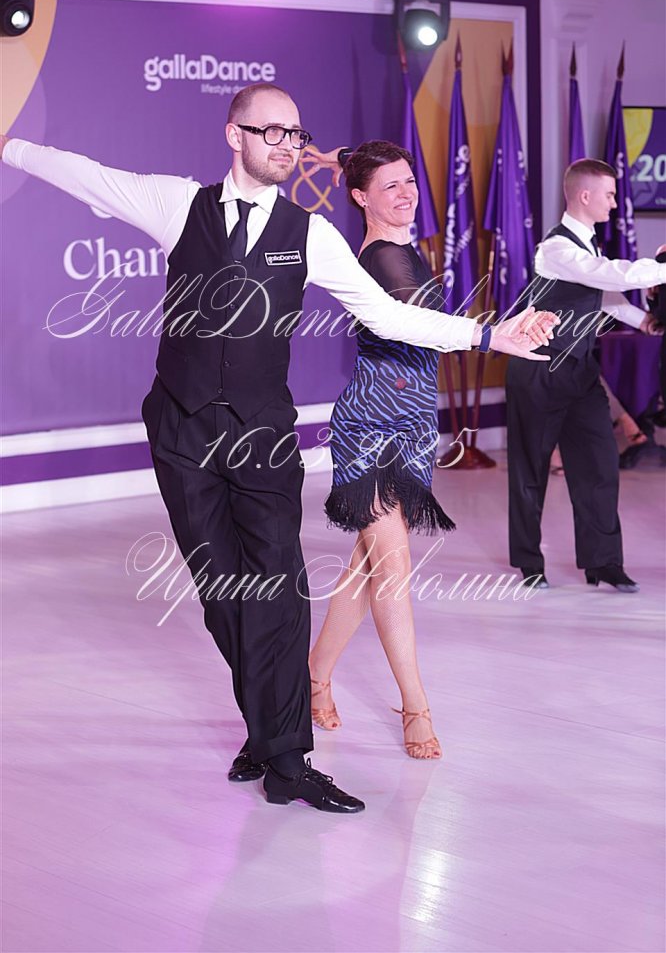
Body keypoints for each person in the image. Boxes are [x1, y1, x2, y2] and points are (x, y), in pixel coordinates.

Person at [1, 83, 556, 813]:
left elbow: (388, 314)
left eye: (296, 134)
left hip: (262, 434)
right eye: (272, 132)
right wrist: (11, 146)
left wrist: (488, 334)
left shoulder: (311, 233)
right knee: (221, 594)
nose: (288, 146)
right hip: (182, 429)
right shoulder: (179, 205)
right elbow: (85, 175)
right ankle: (267, 729)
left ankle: (288, 760)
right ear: (235, 135)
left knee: (280, 591)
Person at [305, 141, 453, 759]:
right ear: (361, 198)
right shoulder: (387, 258)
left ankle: (313, 678)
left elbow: (370, 165)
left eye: (409, 180)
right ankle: (416, 707)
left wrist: (341, 155)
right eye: (389, 186)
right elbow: (426, 330)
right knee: (392, 568)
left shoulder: (399, 245)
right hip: (372, 426)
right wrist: (497, 333)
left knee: (367, 566)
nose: (406, 192)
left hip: (413, 423)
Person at [505, 158, 666, 592]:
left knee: (599, 463)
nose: (614, 203)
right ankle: (529, 563)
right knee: (530, 469)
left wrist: (646, 322)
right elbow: (606, 274)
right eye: (610, 195)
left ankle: (604, 563)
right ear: (585, 195)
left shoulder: (587, 248)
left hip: (579, 371)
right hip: (538, 369)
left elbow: (606, 297)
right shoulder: (556, 249)